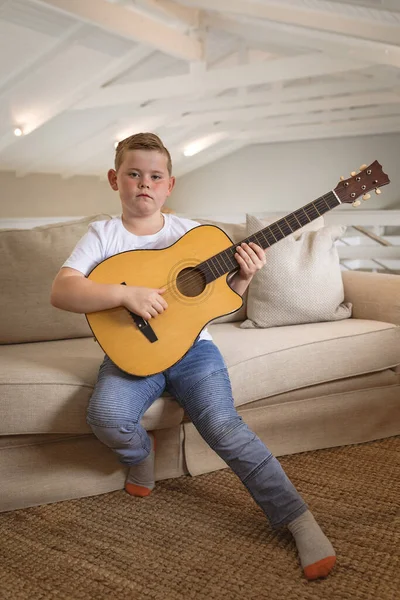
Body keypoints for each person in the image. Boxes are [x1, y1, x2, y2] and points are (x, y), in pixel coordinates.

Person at [51, 132, 336, 581]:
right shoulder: (102, 235)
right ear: (115, 180)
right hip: (132, 353)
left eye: (155, 176)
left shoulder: (192, 235)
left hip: (194, 353)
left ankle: (299, 519)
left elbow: (218, 302)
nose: (145, 183)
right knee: (107, 416)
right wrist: (126, 295)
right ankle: (140, 453)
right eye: (134, 174)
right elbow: (62, 291)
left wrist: (243, 278)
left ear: (170, 185)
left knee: (224, 426)